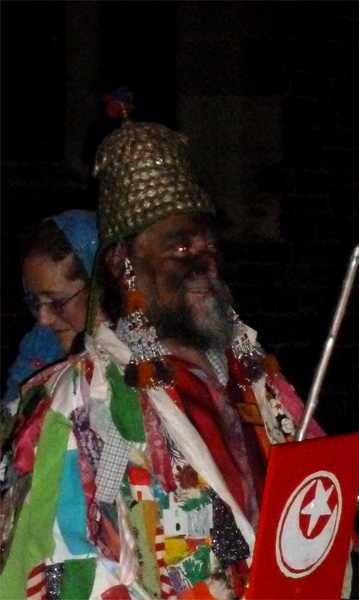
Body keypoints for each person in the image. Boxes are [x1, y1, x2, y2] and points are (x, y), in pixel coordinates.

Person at [0, 115, 326, 599]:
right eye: (179, 246)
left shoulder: (256, 384)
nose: (204, 262)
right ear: (122, 264)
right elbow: (68, 573)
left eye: (208, 243)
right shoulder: (81, 407)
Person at [1, 210, 99, 411]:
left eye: (57, 302)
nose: (42, 319)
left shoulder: (139, 364)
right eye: (35, 301)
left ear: (99, 290)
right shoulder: (37, 351)